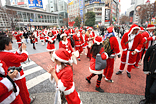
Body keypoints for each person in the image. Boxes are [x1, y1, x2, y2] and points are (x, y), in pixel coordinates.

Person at [0, 35, 35, 104]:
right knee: (23, 91)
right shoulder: (8, 55)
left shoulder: (3, 53)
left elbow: (14, 57)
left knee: (20, 91)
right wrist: (24, 50)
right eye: (10, 43)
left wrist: (19, 50)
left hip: (11, 76)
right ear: (6, 45)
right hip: (17, 76)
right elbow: (23, 58)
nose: (11, 44)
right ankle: (27, 101)